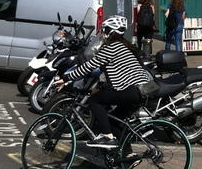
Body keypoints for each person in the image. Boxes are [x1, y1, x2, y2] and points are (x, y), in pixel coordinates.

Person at [55, 15, 151, 148]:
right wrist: (103, 86)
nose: (103, 33)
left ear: (111, 31)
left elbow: (89, 66)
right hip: (141, 90)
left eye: (105, 30)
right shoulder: (126, 46)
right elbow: (119, 73)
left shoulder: (111, 47)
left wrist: (65, 78)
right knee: (114, 122)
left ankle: (106, 136)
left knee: (94, 100)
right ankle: (127, 154)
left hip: (132, 90)